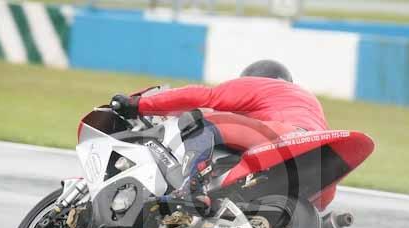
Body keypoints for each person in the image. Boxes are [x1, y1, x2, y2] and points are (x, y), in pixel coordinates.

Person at [111, 59, 329, 213]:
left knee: (200, 123)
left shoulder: (261, 85)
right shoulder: (308, 100)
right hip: (318, 161)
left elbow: (203, 96)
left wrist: (139, 104)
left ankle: (191, 190)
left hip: (283, 136)